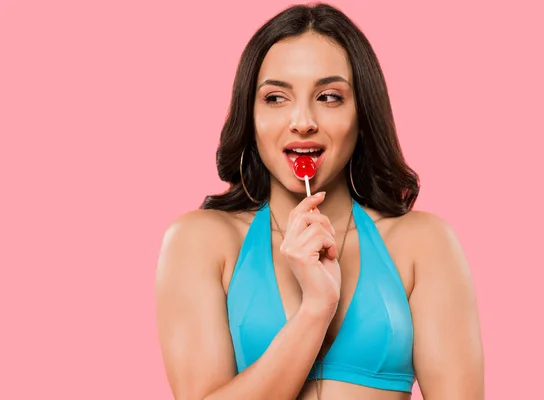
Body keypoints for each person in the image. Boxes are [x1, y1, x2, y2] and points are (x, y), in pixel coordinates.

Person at [155, 3, 484, 399]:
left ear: (362, 115)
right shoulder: (201, 241)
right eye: (276, 98)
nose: (302, 120)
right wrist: (316, 308)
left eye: (329, 97)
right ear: (250, 116)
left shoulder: (423, 243)